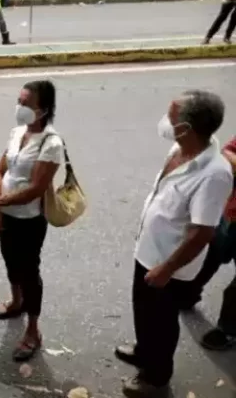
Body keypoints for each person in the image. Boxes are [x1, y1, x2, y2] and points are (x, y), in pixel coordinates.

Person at [113, 90, 232, 398]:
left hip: (170, 265)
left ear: (188, 128)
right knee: (143, 310)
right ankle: (144, 349)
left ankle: (156, 376)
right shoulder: (179, 151)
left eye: (171, 117)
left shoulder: (214, 174)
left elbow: (202, 233)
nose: (165, 122)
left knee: (161, 321)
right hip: (149, 252)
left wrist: (166, 268)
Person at [0, 80, 63, 362]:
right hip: (6, 213)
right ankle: (16, 301)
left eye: (26, 104)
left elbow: (36, 189)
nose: (20, 108)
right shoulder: (17, 133)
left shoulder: (51, 144)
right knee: (9, 259)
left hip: (29, 219)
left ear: (43, 109)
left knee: (29, 271)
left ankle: (33, 330)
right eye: (19, 101)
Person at [200, 135, 236, 351]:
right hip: (231, 216)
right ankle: (187, 294)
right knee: (211, 254)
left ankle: (228, 330)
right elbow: (227, 151)